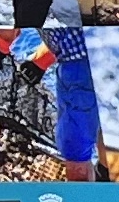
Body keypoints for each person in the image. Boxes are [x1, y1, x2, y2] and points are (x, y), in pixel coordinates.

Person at [37, 16, 103, 183]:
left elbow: (7, 34)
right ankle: (106, 174)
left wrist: (0, 47)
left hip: (80, 71)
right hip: (109, 52)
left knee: (75, 153)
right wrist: (40, 62)